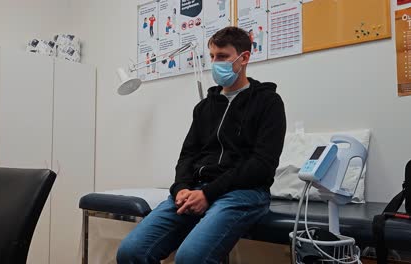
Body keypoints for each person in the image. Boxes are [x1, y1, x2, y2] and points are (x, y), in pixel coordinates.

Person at [117, 26, 286, 264]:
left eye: (223, 57)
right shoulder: (205, 107)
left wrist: (208, 193)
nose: (216, 63)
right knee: (131, 251)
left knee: (190, 258)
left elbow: (262, 165)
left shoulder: (268, 102)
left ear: (244, 58)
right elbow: (187, 156)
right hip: (196, 189)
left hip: (243, 193)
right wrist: (181, 189)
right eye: (213, 56)